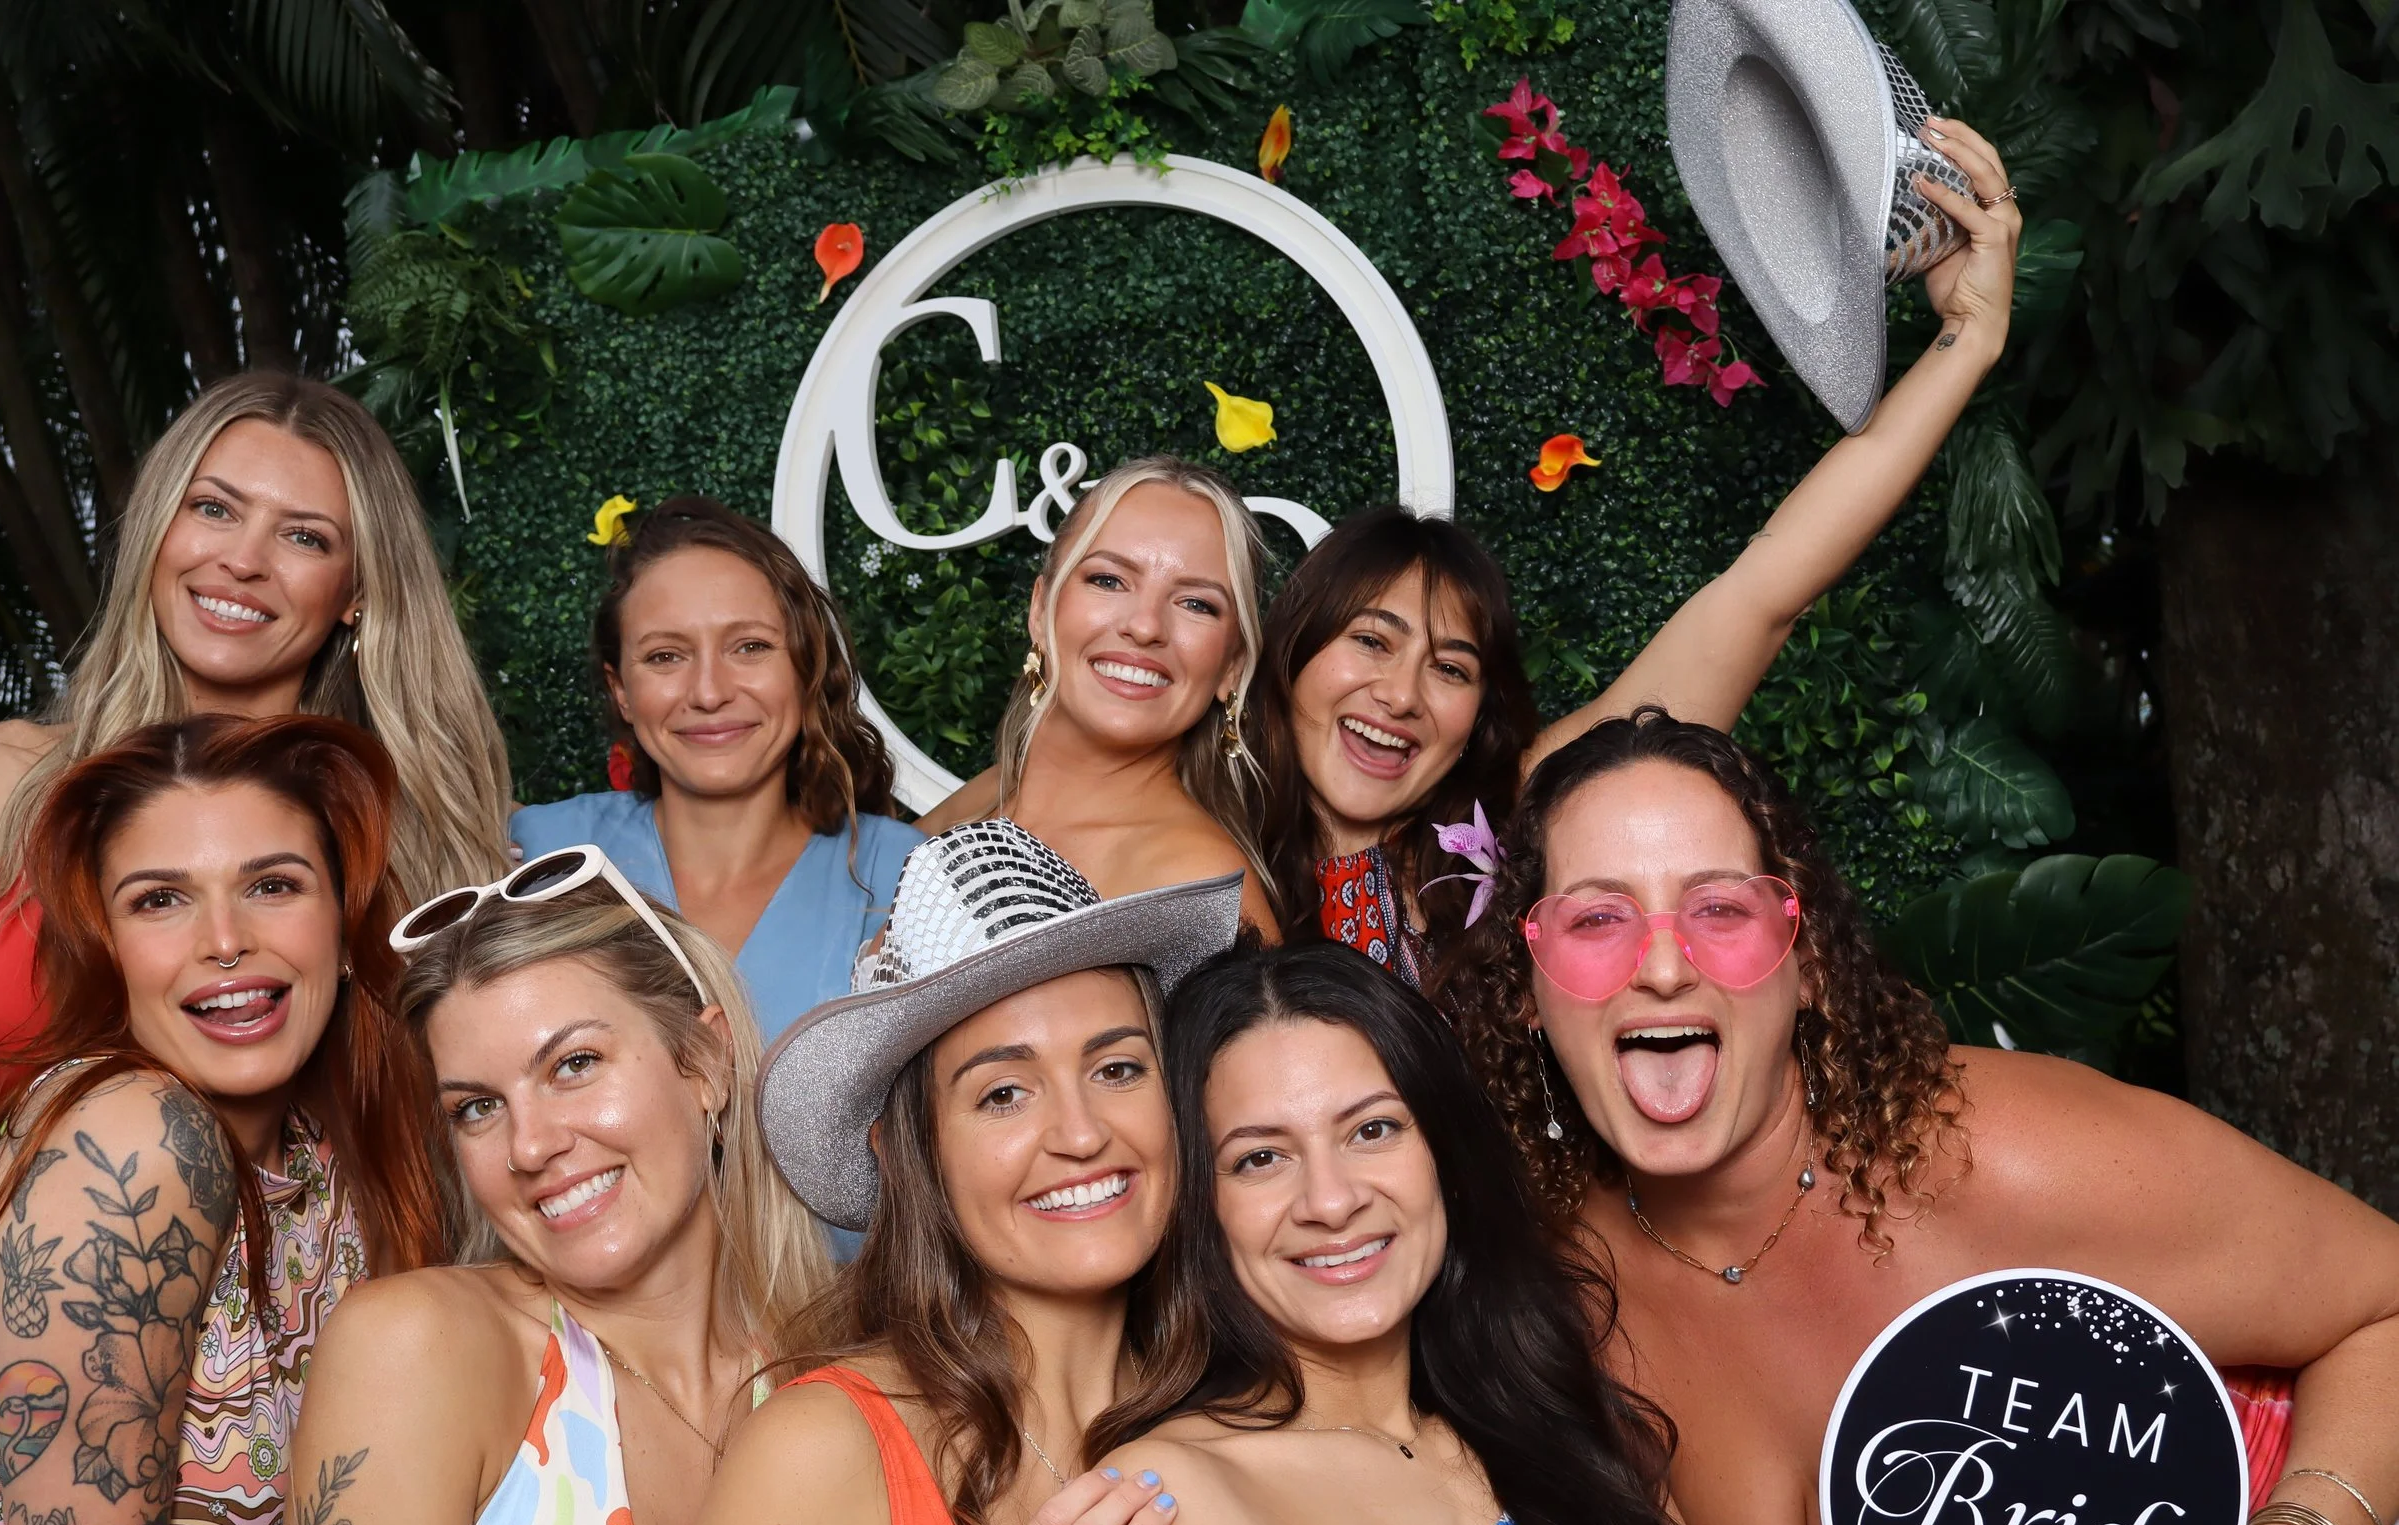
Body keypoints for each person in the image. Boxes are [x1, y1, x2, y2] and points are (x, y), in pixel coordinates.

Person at [1429, 708, 2399, 1525]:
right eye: (1598, 917)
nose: (1665, 964)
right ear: (1526, 980)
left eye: (1718, 908)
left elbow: (2386, 1299)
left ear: (1805, 960)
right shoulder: (1537, 1301)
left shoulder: (1999, 1153)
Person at [1250, 118, 2022, 982]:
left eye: (1453, 667)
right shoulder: (1188, 841)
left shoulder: (1528, 820)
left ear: (1480, 719)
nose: (1399, 696)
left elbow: (1761, 591)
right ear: (1291, 652)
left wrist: (1970, 334)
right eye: (1370, 639)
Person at [0, 372, 512, 1231]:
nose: (244, 559)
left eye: (303, 535)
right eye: (214, 508)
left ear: (358, 593)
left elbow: (464, 1162)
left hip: (296, 1344)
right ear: (158, 528)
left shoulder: (409, 850)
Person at [0, 713, 443, 1525]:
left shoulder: (333, 1168)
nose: (225, 940)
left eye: (273, 884)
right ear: (107, 946)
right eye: (160, 900)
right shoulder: (131, 1147)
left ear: (346, 922)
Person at [661, 820, 1244, 1525]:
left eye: (1117, 1068)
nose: (1080, 1135)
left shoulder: (1237, 1406)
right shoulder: (821, 1453)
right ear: (908, 1152)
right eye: (1004, 1093)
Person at [1092, 938, 1765, 1525]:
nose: (1331, 1199)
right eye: (1260, 1157)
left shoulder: (1558, 1425)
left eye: (1372, 1129)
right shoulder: (1175, 1500)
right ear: (1199, 1205)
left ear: (1444, 1155)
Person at [277, 851, 830, 1525]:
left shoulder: (828, 1379)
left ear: (704, 1064)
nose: (530, 1146)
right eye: (477, 1108)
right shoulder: (417, 1348)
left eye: (573, 1065)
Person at [512, 499, 922, 1043]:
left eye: (750, 647)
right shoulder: (539, 858)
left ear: (806, 668)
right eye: (665, 657)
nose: (709, 692)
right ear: (621, 692)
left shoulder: (903, 875)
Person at [916, 458, 1282, 938]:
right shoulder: (982, 801)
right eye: (1108, 580)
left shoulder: (1203, 894)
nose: (1146, 626)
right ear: (1041, 609)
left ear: (1232, 667)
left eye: (1197, 604)